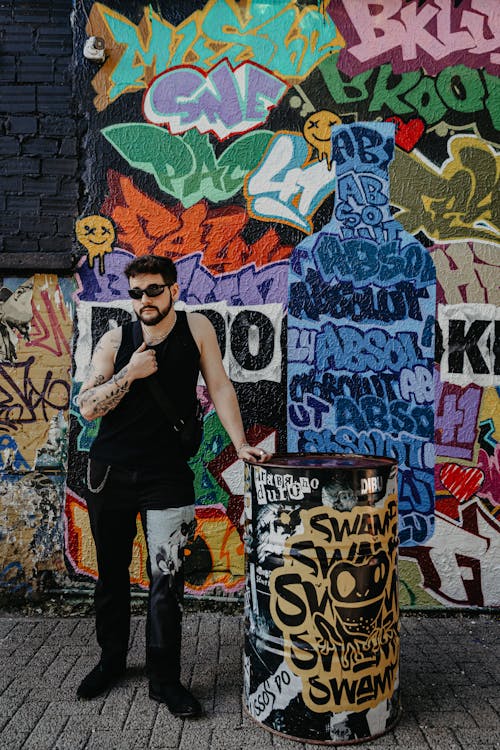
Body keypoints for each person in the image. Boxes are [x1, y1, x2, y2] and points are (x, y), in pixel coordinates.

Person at [76, 254, 271, 716]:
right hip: (111, 475)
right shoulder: (116, 339)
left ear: (173, 290)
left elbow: (220, 386)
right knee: (112, 574)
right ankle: (111, 660)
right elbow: (87, 406)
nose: (145, 300)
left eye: (154, 291)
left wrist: (240, 443)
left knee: (167, 579)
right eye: (137, 293)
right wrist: (130, 373)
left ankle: (164, 680)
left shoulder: (196, 328)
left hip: (167, 476)